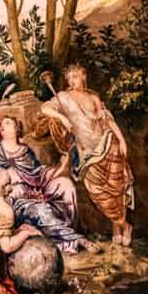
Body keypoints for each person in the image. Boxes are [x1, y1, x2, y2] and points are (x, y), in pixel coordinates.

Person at [0, 115, 98, 253]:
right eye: (2, 123)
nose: (2, 126)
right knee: (40, 209)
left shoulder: (26, 152)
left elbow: (37, 174)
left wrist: (55, 173)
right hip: (10, 200)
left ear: (17, 129)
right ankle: (75, 239)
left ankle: (68, 230)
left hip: (33, 192)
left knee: (65, 185)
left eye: (8, 123)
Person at [40, 65, 134, 245]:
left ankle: (116, 228)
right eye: (70, 77)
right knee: (97, 190)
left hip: (107, 143)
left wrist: (121, 139)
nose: (73, 80)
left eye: (76, 76)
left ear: (84, 76)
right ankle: (124, 224)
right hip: (87, 152)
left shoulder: (93, 97)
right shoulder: (63, 98)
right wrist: (62, 118)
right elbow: (45, 108)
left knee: (116, 187)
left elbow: (107, 121)